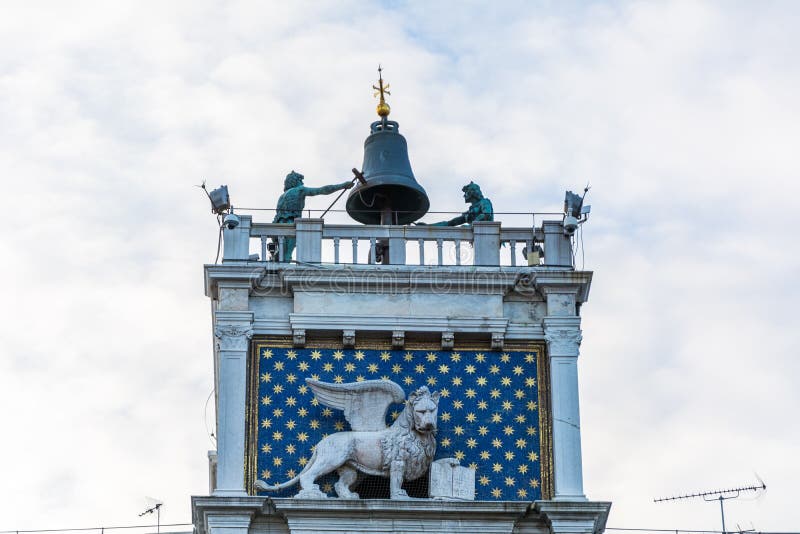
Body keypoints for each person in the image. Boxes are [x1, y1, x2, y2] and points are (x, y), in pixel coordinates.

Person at [272, 170, 353, 261]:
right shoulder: (300, 190)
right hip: (290, 223)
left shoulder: (282, 197)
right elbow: (323, 190)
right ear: (296, 181)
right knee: (286, 256)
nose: (302, 183)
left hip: (278, 224)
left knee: (280, 255)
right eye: (300, 180)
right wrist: (342, 186)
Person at [418, 181, 493, 226]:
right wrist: (428, 226)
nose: (464, 195)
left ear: (472, 192)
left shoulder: (485, 202)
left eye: (466, 193)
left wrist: (472, 225)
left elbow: (486, 215)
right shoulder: (470, 211)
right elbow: (450, 223)